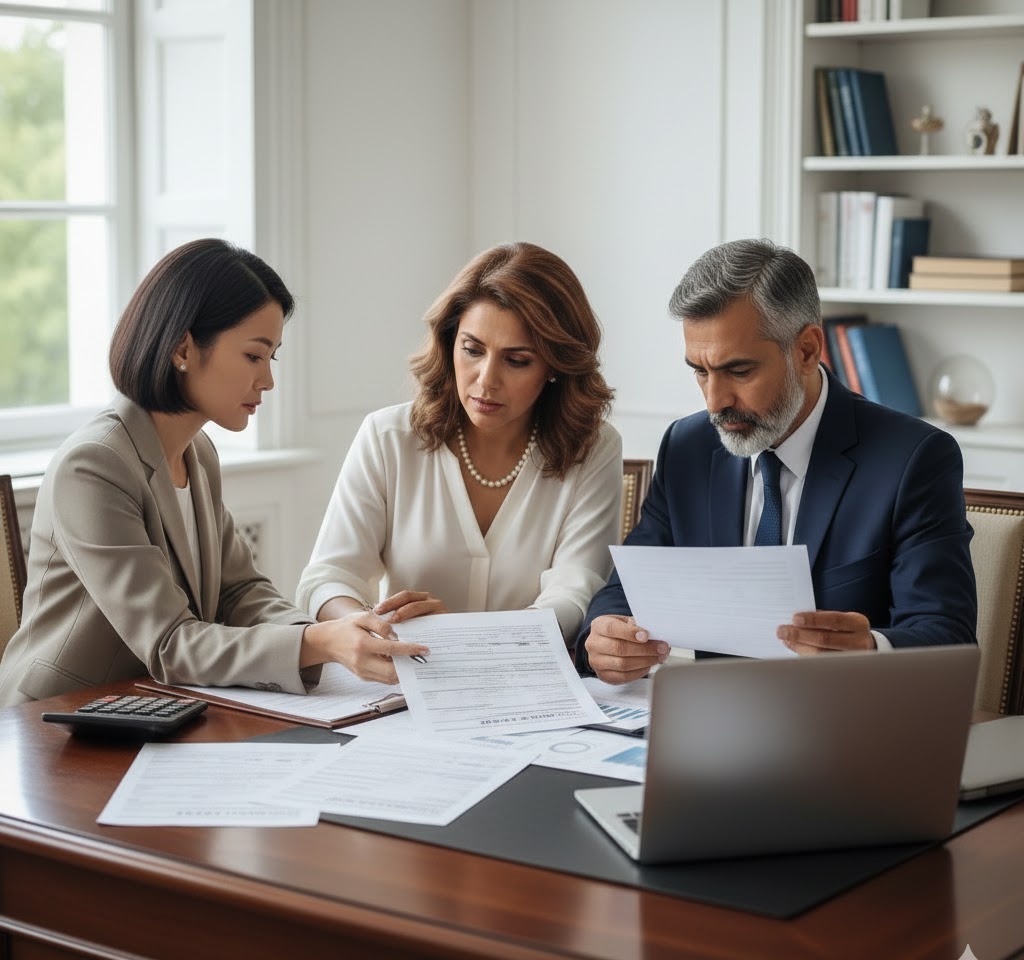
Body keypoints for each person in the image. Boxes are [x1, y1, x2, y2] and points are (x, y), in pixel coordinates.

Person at [0, 239, 427, 707]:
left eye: (272, 358)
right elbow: (169, 644)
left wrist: (326, 633)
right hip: (56, 722)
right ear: (183, 347)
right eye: (253, 356)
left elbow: (239, 590)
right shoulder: (93, 466)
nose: (267, 381)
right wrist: (317, 645)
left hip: (151, 706)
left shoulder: (197, 453)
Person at [578, 237, 977, 684]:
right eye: (699, 370)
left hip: (846, 727)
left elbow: (947, 636)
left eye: (739, 371)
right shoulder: (688, 446)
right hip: (714, 722)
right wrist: (605, 635)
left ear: (806, 350)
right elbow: (628, 587)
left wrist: (869, 650)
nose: (715, 401)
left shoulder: (913, 459)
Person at [297, 241, 622, 665]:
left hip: (525, 687)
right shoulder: (387, 436)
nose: (486, 381)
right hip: (404, 687)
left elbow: (573, 595)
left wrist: (465, 640)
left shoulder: (594, 447)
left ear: (556, 366)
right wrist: (367, 630)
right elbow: (328, 577)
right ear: (450, 343)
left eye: (517, 360)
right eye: (472, 350)